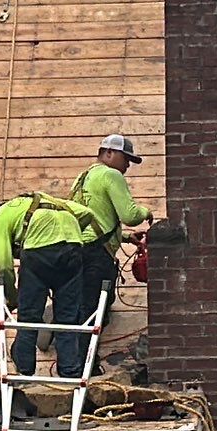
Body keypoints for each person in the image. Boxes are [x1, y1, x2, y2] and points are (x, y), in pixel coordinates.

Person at [0, 192, 99, 378]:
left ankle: (24, 373)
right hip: (73, 250)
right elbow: (87, 213)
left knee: (29, 318)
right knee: (68, 320)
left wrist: (12, 296)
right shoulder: (48, 199)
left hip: (38, 253)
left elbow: (3, 264)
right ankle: (70, 374)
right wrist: (66, 234)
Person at [69, 134, 154, 324]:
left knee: (80, 306)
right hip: (96, 255)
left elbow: (93, 217)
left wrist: (124, 237)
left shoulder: (82, 178)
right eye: (126, 158)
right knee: (94, 311)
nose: (127, 166)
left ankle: (72, 349)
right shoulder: (110, 174)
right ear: (109, 152)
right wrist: (146, 212)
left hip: (76, 250)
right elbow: (130, 215)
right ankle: (84, 354)